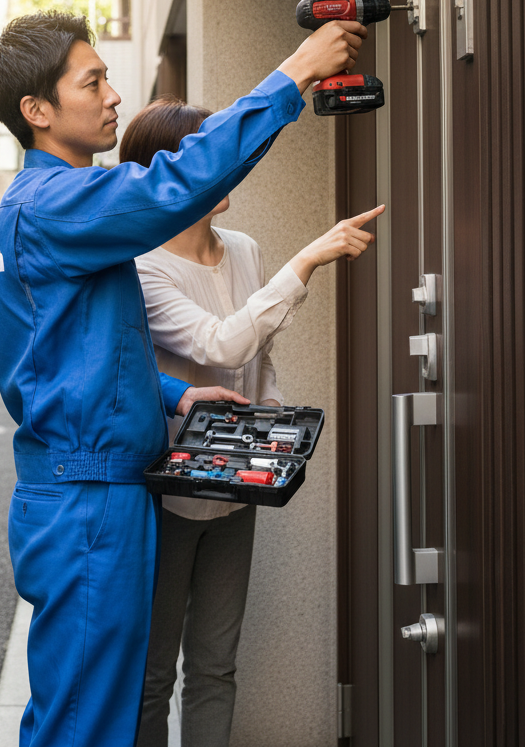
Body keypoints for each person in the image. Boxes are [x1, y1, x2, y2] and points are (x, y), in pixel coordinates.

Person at [0, 11, 367, 747]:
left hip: (94, 488)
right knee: (83, 723)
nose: (112, 97)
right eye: (91, 82)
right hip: (87, 496)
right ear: (37, 111)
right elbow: (177, 184)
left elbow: (79, 345)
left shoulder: (53, 206)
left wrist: (175, 394)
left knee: (101, 706)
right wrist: (295, 73)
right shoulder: (57, 202)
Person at [118, 96, 384, 747]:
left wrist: (276, 434)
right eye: (213, 154)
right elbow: (223, 344)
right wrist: (309, 259)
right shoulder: (143, 269)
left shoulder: (243, 248)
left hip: (238, 488)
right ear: (172, 172)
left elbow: (258, 363)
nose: (229, 166)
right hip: (170, 492)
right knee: (154, 676)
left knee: (215, 665)